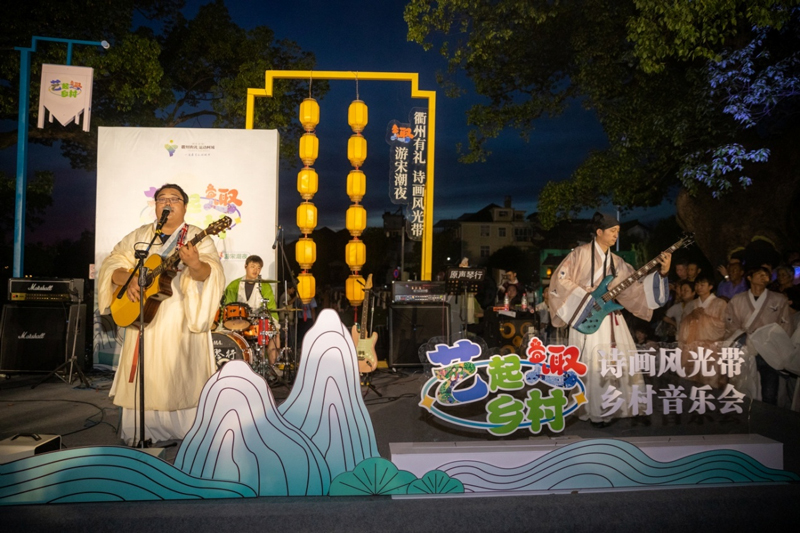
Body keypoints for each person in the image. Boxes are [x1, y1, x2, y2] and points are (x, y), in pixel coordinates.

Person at [98, 183, 224, 444]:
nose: (167, 203)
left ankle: (187, 432)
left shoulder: (198, 236)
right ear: (155, 206)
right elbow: (113, 263)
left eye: (174, 199)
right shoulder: (141, 236)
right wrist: (128, 280)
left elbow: (210, 273)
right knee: (145, 374)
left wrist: (195, 264)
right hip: (143, 314)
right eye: (161, 199)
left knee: (179, 374)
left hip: (180, 316)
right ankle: (141, 432)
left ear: (185, 206)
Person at [548, 212, 671, 426]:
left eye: (618, 231)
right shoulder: (579, 254)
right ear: (599, 232)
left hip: (611, 315)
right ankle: (595, 410)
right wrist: (587, 297)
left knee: (622, 359)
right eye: (612, 231)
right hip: (585, 315)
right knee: (594, 362)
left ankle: (624, 407)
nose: (616, 235)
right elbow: (561, 280)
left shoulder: (617, 262)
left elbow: (635, 288)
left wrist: (662, 273)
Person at [725, 266, 792, 405]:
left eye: (766, 275)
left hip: (769, 349)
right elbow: (730, 324)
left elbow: (785, 325)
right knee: (743, 387)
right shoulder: (737, 300)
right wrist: (743, 339)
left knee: (769, 391)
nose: (764, 277)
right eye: (760, 274)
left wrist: (782, 349)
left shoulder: (779, 299)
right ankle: (745, 414)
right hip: (745, 348)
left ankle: (767, 416)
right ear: (749, 278)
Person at [222, 255, 280, 365]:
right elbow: (227, 307)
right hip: (238, 324)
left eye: (258, 268)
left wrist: (272, 324)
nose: (255, 270)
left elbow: (271, 308)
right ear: (245, 266)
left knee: (275, 333)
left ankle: (273, 366)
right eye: (252, 266)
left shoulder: (265, 286)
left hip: (257, 323)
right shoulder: (234, 285)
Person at [678, 274, 728, 388]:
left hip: (711, 348)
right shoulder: (691, 304)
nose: (698, 287)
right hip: (692, 346)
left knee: (710, 378)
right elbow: (682, 324)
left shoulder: (720, 303)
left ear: (710, 286)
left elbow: (723, 325)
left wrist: (704, 318)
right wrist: (691, 316)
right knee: (692, 377)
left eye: (702, 285)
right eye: (697, 284)